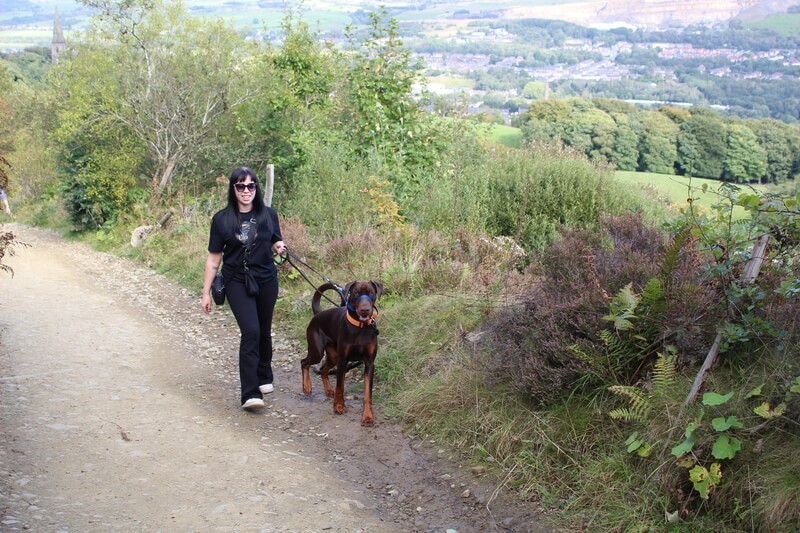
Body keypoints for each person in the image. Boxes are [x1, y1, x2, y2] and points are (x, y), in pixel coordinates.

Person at [202, 166, 286, 411]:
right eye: (241, 186)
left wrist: (279, 247)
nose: (246, 190)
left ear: (256, 188)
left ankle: (264, 375)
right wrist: (205, 292)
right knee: (251, 330)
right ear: (233, 189)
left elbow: (274, 240)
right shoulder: (222, 219)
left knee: (264, 329)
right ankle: (250, 393)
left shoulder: (269, 214)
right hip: (237, 280)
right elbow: (213, 259)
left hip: (266, 278)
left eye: (251, 185)